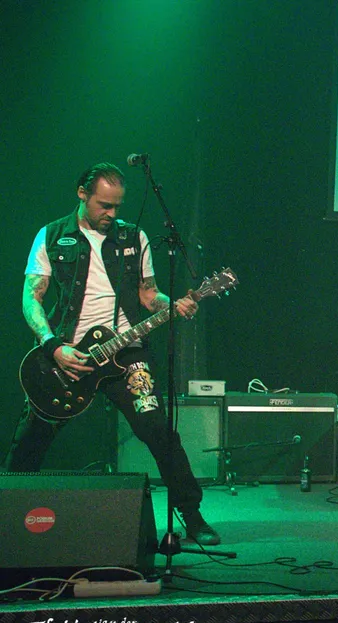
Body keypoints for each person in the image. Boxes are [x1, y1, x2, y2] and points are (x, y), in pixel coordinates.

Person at [5, 162, 221, 545]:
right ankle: (8, 517)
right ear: (82, 193)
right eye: (104, 205)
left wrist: (174, 304)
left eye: (117, 206)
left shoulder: (134, 237)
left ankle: (192, 515)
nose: (111, 213)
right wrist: (53, 345)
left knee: (158, 430)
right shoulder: (52, 235)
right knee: (30, 438)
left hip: (126, 353)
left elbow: (148, 295)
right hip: (69, 356)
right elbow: (31, 297)